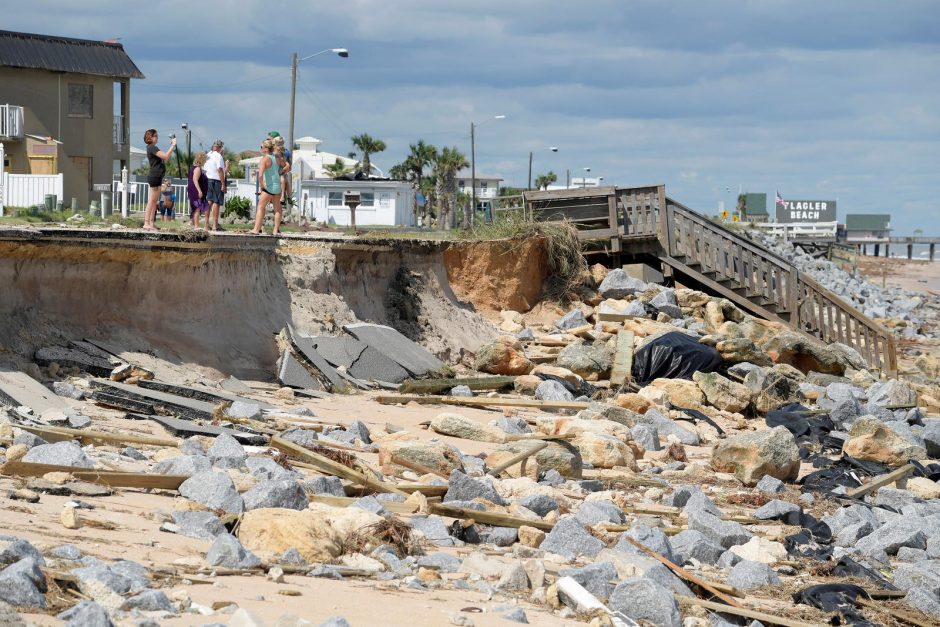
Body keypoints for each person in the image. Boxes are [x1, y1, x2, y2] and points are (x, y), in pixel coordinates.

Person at [143, 129, 176, 230]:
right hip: (154, 176)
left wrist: (172, 147)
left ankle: (151, 223)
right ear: (150, 137)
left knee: (154, 201)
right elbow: (165, 156)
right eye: (155, 136)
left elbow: (165, 157)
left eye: (157, 136)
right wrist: (173, 145)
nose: (157, 138)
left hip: (157, 177)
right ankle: (146, 223)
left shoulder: (153, 147)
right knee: (151, 201)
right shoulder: (152, 147)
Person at [250, 138, 282, 235]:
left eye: (261, 147)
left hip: (268, 187)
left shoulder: (264, 159)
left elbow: (260, 175)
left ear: (266, 149)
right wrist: (280, 173)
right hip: (277, 187)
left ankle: (256, 229)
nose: (260, 149)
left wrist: (262, 187)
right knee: (278, 209)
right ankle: (275, 231)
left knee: (260, 207)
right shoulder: (277, 158)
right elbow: (287, 166)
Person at [204, 139, 226, 231]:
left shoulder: (208, 155)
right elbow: (220, 170)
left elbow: (204, 169)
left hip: (207, 179)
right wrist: (223, 183)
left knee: (209, 201)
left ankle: (206, 225)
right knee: (216, 202)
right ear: (220, 147)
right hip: (216, 180)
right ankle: (214, 225)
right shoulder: (218, 156)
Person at [268, 131, 292, 208]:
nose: (268, 140)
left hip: (280, 171)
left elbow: (288, 165)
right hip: (275, 171)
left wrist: (284, 168)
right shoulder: (271, 150)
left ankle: (285, 197)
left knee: (285, 181)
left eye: (269, 139)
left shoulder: (283, 151)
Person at [187, 152, 209, 227]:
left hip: (193, 190)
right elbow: (195, 180)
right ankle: (196, 226)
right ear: (202, 160)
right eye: (205, 159)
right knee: (197, 208)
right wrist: (199, 191)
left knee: (196, 208)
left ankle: (193, 224)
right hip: (195, 191)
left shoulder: (197, 168)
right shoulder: (197, 169)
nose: (206, 161)